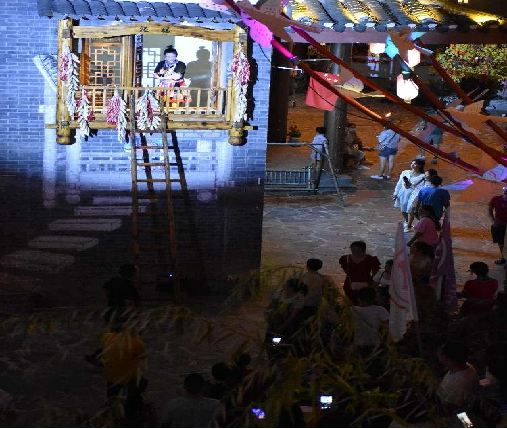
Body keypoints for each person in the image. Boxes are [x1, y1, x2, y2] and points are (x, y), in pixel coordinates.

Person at [85, 264, 140, 365]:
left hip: (111, 312)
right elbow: (131, 303)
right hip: (122, 315)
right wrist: (133, 315)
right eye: (136, 272)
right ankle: (99, 357)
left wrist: (110, 303)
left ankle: (100, 357)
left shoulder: (114, 281)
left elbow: (105, 291)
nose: (137, 274)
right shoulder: (129, 285)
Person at [102, 323, 147, 423]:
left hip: (110, 375)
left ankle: (113, 410)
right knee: (142, 383)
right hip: (128, 377)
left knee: (112, 393)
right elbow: (142, 358)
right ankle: (130, 410)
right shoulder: (137, 343)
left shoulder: (106, 337)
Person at [437, 342, 479, 408]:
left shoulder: (459, 385)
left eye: (440, 353)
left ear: (445, 358)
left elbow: (451, 407)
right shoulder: (465, 366)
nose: (438, 353)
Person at [352, 287, 389, 357]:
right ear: (374, 298)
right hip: (376, 345)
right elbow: (386, 328)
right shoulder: (380, 310)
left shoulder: (352, 310)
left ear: (358, 298)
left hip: (357, 344)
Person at [393, 159, 426, 231]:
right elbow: (399, 183)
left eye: (415, 164)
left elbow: (421, 187)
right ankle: (407, 221)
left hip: (413, 195)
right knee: (403, 209)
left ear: (420, 166)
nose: (412, 165)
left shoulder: (422, 176)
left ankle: (409, 225)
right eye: (412, 163)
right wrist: (395, 193)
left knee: (410, 210)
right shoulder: (405, 172)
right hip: (403, 193)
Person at [488, 188, 507, 265]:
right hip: (500, 225)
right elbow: (490, 210)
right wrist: (493, 220)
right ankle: (503, 257)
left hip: (501, 225)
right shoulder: (496, 199)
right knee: (501, 243)